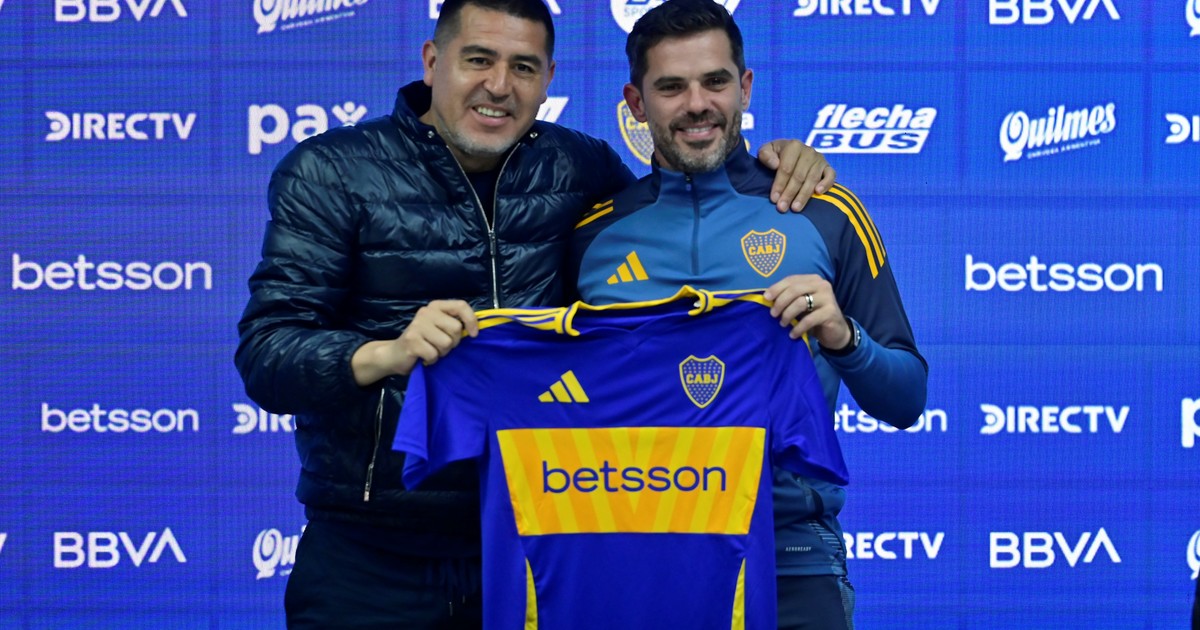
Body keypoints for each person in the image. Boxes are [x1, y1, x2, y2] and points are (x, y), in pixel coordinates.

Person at [234, 0, 835, 627]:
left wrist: (775, 162)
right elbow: (268, 355)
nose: (499, 85)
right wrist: (389, 353)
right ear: (432, 62)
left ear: (548, 80)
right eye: (478, 60)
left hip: (543, 544)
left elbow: (675, 204)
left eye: (523, 67)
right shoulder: (331, 171)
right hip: (371, 554)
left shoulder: (583, 167)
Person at [565, 1, 929, 628]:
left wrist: (843, 337)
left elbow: (907, 400)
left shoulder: (823, 209)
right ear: (635, 102)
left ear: (746, 87)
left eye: (716, 81)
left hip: (793, 563)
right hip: (638, 560)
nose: (697, 104)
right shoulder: (591, 236)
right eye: (671, 87)